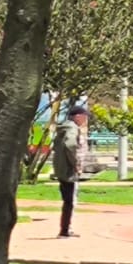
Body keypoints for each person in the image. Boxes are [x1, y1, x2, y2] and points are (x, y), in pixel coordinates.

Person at [51, 100, 86, 238]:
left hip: (61, 168)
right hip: (68, 170)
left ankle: (66, 229)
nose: (85, 120)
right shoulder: (72, 129)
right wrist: (75, 163)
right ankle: (64, 230)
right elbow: (70, 145)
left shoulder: (64, 128)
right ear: (77, 116)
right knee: (69, 201)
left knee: (68, 200)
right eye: (84, 117)